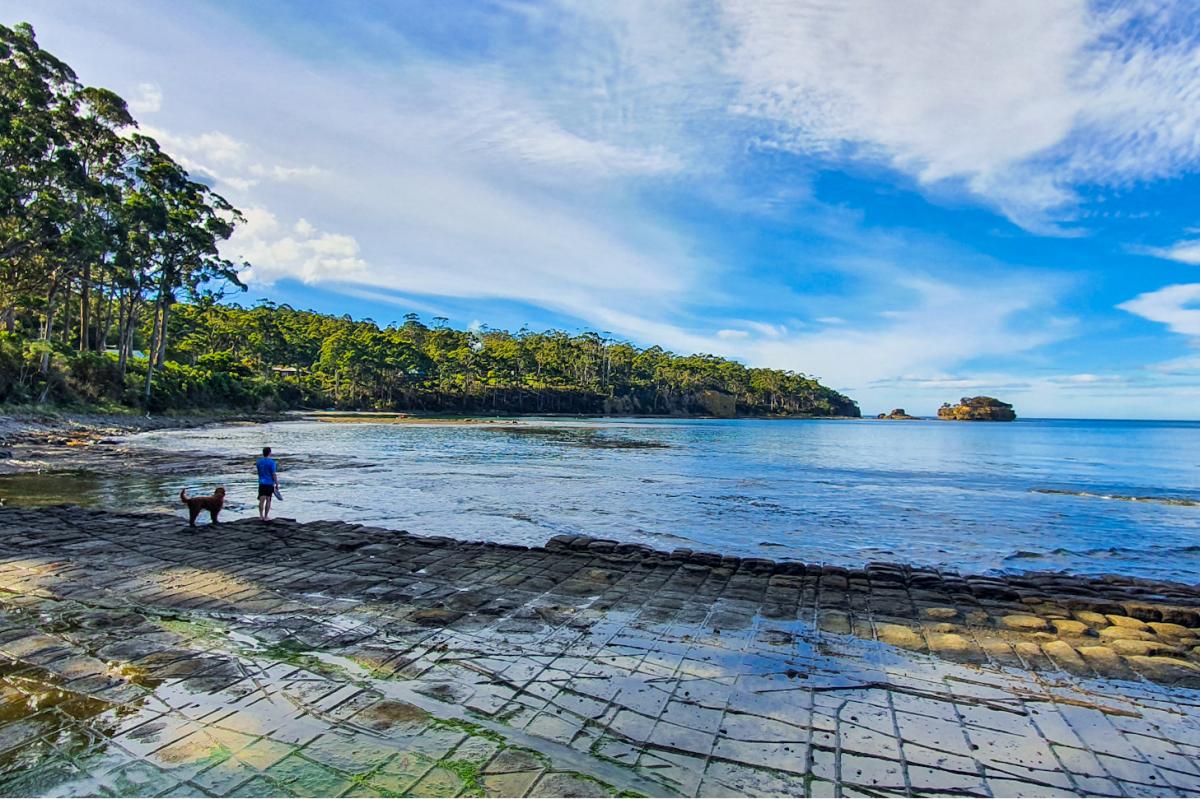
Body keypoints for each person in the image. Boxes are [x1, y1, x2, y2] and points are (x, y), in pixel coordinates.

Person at [256, 446, 279, 521]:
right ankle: (266, 516)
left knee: (261, 500)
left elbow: (259, 472)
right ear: (269, 453)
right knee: (268, 500)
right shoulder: (272, 462)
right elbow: (273, 474)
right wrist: (276, 483)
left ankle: (260, 516)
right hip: (269, 483)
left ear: (263, 453)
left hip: (261, 482)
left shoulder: (259, 462)